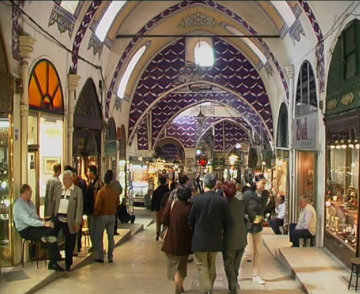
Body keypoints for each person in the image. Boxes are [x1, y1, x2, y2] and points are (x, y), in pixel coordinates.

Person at [188, 173, 233, 294]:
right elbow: (228, 221)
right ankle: (209, 288)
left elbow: (190, 220)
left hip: (199, 239)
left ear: (204, 185)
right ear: (215, 186)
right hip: (215, 239)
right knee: (211, 265)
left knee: (202, 265)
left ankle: (206, 289)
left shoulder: (196, 200)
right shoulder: (222, 201)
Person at [13, 184, 64, 271]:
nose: (32, 193)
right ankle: (53, 262)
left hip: (35, 226)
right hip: (26, 229)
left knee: (56, 220)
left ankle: (55, 256)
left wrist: (44, 221)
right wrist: (44, 224)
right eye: (30, 191)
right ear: (25, 192)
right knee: (49, 234)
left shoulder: (30, 203)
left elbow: (35, 217)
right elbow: (28, 220)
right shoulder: (18, 205)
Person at [222, 182, 254, 294]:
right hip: (241, 237)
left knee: (228, 263)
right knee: (236, 264)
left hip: (228, 239)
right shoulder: (242, 204)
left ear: (224, 193)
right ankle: (233, 284)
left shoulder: (223, 205)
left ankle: (233, 285)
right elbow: (253, 216)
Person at [161, 187, 193, 294]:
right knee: (182, 264)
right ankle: (180, 284)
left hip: (172, 239)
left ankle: (178, 284)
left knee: (173, 264)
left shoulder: (173, 204)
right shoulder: (190, 207)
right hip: (185, 240)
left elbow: (164, 219)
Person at [52, 170, 83, 271]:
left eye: (66, 179)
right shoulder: (59, 189)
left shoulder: (77, 191)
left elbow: (79, 208)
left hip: (69, 221)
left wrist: (77, 222)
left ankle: (68, 263)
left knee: (70, 242)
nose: (64, 181)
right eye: (63, 179)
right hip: (58, 219)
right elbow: (54, 203)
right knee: (52, 237)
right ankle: (54, 260)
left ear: (71, 179)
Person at [241, 174, 269, 285]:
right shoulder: (247, 195)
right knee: (248, 252)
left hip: (258, 226)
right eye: (262, 183)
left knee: (258, 251)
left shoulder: (265, 195)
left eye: (265, 183)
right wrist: (247, 217)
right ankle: (237, 270)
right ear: (256, 183)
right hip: (248, 226)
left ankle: (255, 275)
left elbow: (266, 208)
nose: (263, 185)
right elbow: (242, 208)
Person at [94, 171, 120, 263]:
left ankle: (101, 256)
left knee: (99, 236)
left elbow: (98, 205)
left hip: (102, 216)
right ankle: (110, 257)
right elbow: (118, 204)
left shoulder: (101, 192)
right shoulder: (115, 192)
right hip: (112, 216)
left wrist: (95, 214)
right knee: (110, 237)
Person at [84, 165, 102, 251]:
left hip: (94, 210)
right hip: (91, 210)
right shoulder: (91, 182)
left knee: (94, 229)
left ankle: (96, 246)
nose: (87, 173)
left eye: (88, 171)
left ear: (92, 172)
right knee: (92, 228)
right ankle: (95, 245)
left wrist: (96, 209)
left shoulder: (97, 183)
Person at [151, 176, 170, 241]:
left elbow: (153, 200)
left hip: (158, 208)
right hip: (165, 208)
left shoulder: (156, 190)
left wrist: (152, 207)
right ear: (165, 181)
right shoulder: (167, 190)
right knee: (164, 221)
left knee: (158, 221)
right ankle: (163, 234)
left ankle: (157, 233)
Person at [106, 169, 123, 236]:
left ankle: (109, 229)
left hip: (108, 203)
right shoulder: (116, 182)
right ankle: (114, 230)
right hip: (115, 202)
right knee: (114, 217)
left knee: (108, 216)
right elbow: (121, 190)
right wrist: (117, 194)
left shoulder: (107, 183)